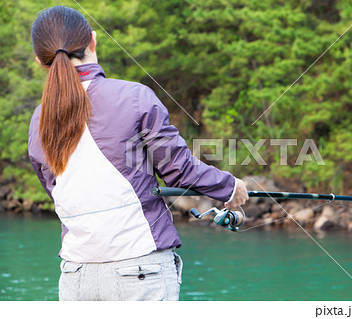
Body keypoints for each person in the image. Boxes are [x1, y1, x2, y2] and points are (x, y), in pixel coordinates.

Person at [28, 6, 248, 301]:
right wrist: (230, 186)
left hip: (75, 278)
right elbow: (178, 169)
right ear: (93, 41)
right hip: (140, 271)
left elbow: (55, 189)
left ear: (41, 61)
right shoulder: (135, 97)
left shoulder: (38, 120)